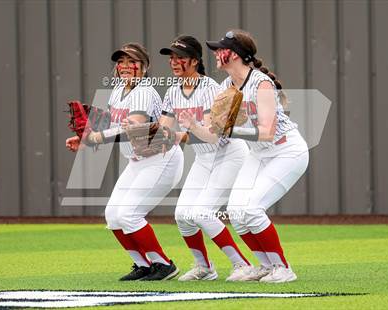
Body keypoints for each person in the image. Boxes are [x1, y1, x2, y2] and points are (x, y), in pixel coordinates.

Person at [183, 29, 309, 282]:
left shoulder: (261, 83)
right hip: (259, 154)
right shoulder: (225, 87)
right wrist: (195, 127)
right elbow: (214, 134)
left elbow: (267, 132)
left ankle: (283, 268)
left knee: (251, 208)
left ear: (237, 54)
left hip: (286, 151)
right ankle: (264, 266)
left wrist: (229, 128)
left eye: (222, 48)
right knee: (236, 211)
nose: (217, 53)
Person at [66, 43, 184, 281]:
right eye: (121, 62)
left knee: (129, 213)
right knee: (113, 215)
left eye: (132, 62)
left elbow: (132, 128)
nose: (125, 66)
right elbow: (111, 124)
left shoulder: (144, 91)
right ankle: (143, 265)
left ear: (144, 66)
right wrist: (85, 139)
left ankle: (163, 265)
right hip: (138, 160)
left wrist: (95, 138)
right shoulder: (118, 89)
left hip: (161, 159)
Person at [159, 35, 253, 281]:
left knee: (202, 212)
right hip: (203, 159)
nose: (174, 62)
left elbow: (212, 137)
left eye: (180, 57)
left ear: (195, 60)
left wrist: (180, 133)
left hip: (228, 154)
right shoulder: (171, 91)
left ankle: (242, 265)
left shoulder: (211, 87)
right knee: (182, 215)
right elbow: (163, 130)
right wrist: (125, 131)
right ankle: (205, 267)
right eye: (172, 57)